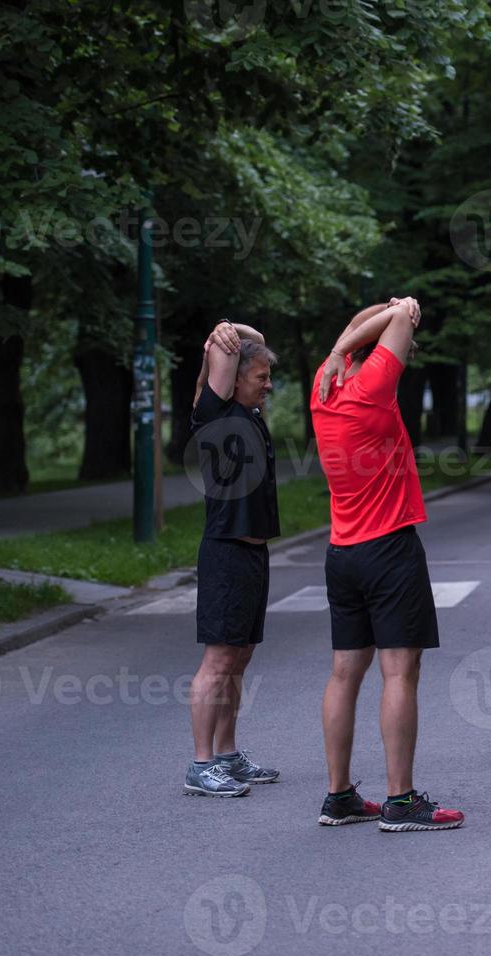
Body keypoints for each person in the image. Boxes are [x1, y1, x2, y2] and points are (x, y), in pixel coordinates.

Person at [310, 297, 466, 830]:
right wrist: (404, 310)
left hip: (341, 551)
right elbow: (390, 327)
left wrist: (389, 311)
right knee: (400, 670)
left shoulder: (325, 384)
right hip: (389, 549)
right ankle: (400, 800)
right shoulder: (373, 388)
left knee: (343, 674)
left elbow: (357, 327)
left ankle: (339, 796)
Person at [183, 319, 283, 798]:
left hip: (253, 554)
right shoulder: (215, 412)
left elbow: (255, 340)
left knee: (239, 659)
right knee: (219, 660)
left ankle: (226, 754)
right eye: (260, 376)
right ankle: (202, 765)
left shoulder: (251, 412)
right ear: (233, 377)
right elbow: (227, 347)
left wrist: (238, 332)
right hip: (225, 551)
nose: (268, 384)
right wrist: (221, 330)